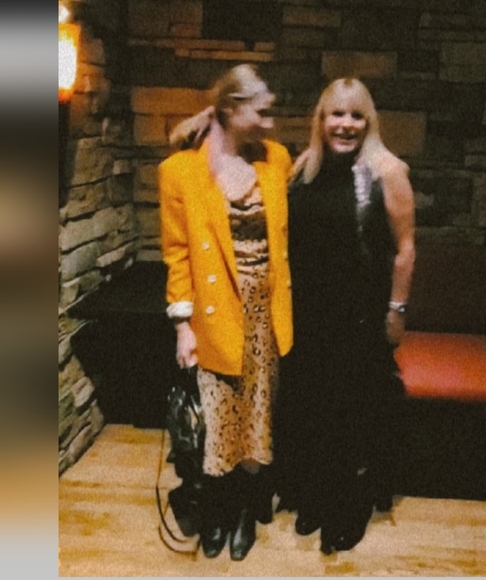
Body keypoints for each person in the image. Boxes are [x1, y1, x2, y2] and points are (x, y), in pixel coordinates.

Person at [273, 77, 415, 554]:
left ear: (369, 122)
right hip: (309, 311)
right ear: (321, 119)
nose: (345, 124)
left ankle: (350, 504)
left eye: (356, 115)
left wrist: (396, 310)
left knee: (352, 411)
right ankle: (315, 495)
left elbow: (405, 249)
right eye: (336, 114)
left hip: (359, 315)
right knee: (312, 405)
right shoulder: (304, 168)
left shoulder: (386, 171)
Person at [158, 64, 293, 561]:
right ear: (234, 110)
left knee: (256, 418)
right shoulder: (180, 171)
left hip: (266, 314)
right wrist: (183, 326)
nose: (270, 123)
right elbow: (177, 253)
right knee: (219, 421)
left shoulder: (276, 160)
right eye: (262, 112)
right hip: (215, 315)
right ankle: (217, 510)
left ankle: (244, 512)